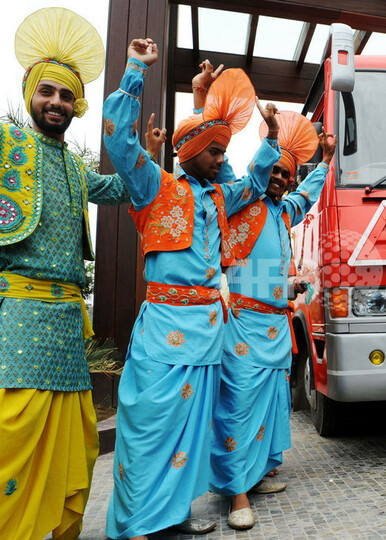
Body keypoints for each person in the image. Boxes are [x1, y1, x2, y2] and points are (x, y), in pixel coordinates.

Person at [101, 38, 281, 539]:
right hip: (166, 331)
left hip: (207, 332)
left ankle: (172, 515)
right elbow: (119, 142)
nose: (224, 159)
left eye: (225, 150)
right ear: (193, 153)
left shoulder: (220, 197)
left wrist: (269, 137)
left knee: (189, 428)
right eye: (216, 151)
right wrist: (136, 69)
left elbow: (258, 178)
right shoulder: (155, 188)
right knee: (153, 427)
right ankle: (139, 525)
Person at [0, 8, 131, 539]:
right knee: (14, 435)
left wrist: (146, 136)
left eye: (66, 96)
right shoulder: (7, 148)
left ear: (78, 104)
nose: (56, 102)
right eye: (46, 91)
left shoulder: (78, 170)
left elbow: (124, 188)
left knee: (75, 443)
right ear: (30, 93)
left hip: (68, 329)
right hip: (21, 317)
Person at [210, 112, 335, 529]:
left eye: (287, 173)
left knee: (269, 405)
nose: (279, 178)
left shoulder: (285, 212)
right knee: (238, 406)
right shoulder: (243, 199)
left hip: (277, 327)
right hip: (243, 325)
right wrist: (276, 137)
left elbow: (310, 192)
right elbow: (252, 169)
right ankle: (235, 493)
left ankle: (258, 473)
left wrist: (326, 161)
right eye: (275, 170)